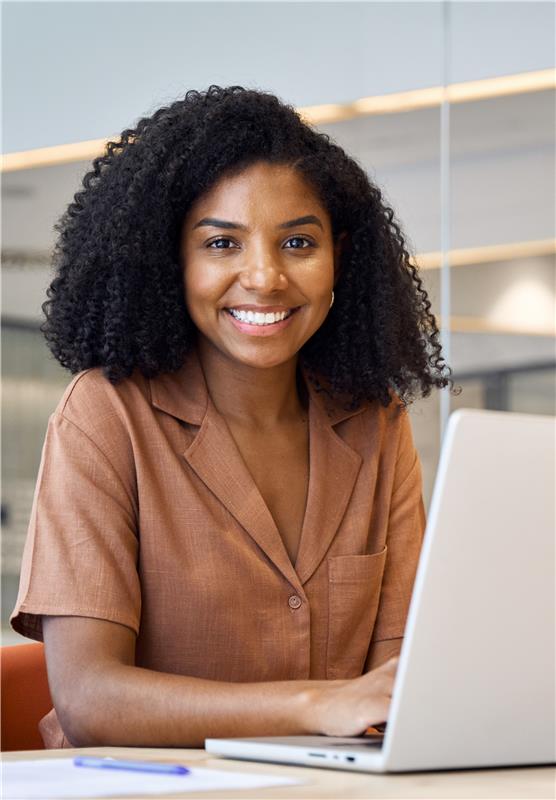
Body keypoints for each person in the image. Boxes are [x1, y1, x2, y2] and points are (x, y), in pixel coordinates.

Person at [11, 85, 453, 749]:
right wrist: (314, 704)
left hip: (328, 788)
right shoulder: (107, 415)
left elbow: (396, 689)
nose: (265, 277)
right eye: (222, 244)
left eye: (298, 242)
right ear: (171, 259)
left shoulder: (375, 422)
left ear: (340, 258)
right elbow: (89, 699)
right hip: (143, 789)